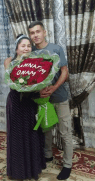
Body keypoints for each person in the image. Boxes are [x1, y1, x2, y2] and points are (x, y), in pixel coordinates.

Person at [28, 21, 73, 180]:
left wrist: (53, 88)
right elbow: (29, 77)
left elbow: (64, 72)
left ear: (44, 32)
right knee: (46, 129)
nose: (35, 35)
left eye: (38, 31)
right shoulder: (30, 52)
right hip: (42, 100)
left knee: (65, 131)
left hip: (59, 97)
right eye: (32, 33)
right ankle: (47, 155)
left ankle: (67, 165)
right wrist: (38, 91)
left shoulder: (56, 49)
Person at [4, 34, 46, 180]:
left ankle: (33, 169)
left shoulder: (35, 63)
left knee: (32, 135)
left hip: (30, 102)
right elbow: (11, 81)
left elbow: (39, 82)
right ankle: (19, 171)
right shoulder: (9, 61)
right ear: (17, 49)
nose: (26, 48)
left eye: (29, 46)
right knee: (17, 137)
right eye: (23, 46)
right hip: (16, 102)